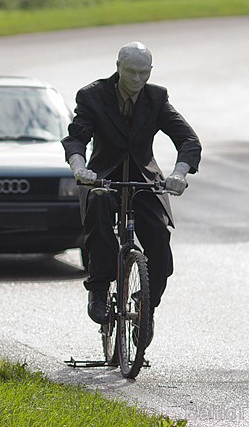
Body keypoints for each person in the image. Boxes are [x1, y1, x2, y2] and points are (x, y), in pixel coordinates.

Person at [61, 41, 201, 345]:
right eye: (131, 73)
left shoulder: (157, 97)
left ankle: (147, 306)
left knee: (160, 237)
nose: (138, 80)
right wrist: (79, 168)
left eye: (144, 73)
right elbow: (77, 137)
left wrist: (178, 173)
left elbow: (188, 140)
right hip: (102, 176)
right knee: (98, 212)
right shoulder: (92, 96)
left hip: (144, 177)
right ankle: (99, 289)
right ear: (117, 67)